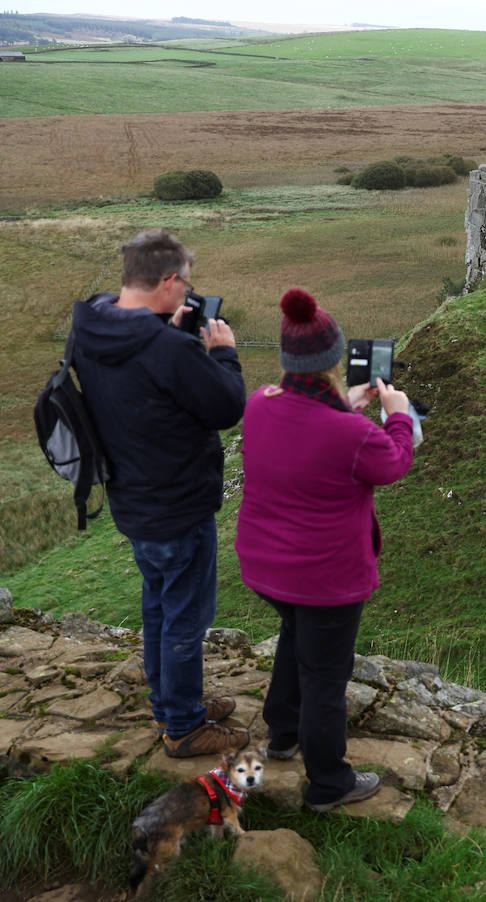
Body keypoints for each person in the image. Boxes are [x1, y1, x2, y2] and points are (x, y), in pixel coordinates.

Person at [70, 229, 249, 758]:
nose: (189, 293)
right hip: (178, 502)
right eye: (186, 282)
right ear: (169, 281)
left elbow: (139, 384)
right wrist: (222, 354)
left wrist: (168, 333)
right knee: (185, 618)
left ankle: (170, 702)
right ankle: (185, 727)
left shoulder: (92, 324)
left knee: (158, 606)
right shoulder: (167, 347)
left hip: (132, 496)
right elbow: (224, 408)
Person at [236, 287, 414, 813]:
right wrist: (397, 413)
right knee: (325, 679)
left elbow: (305, 429)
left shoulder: (259, 404)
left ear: (289, 361)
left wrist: (345, 408)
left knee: (295, 638)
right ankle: (329, 782)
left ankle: (283, 735)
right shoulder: (353, 433)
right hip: (326, 581)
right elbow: (394, 462)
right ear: (333, 357)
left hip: (266, 568)